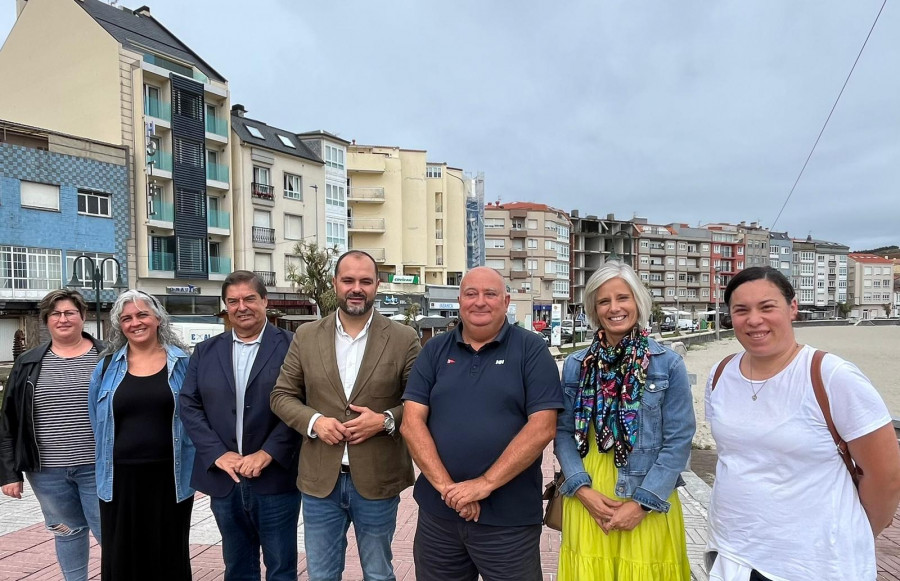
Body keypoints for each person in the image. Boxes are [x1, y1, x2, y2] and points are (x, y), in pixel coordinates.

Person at [705, 266, 900, 580]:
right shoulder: (720, 374)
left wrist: (853, 533)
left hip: (814, 563)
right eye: (742, 310)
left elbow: (886, 477)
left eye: (767, 307)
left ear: (792, 307)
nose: (754, 320)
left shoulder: (831, 376)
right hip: (733, 554)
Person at [401, 267, 563, 581]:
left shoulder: (531, 350)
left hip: (509, 522)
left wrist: (483, 485)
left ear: (506, 301)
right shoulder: (434, 350)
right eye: (471, 293)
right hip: (439, 519)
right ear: (459, 300)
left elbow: (543, 426)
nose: (480, 302)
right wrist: (453, 492)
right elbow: (411, 423)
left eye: (490, 294)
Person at [271, 250, 421, 581]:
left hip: (378, 479)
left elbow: (420, 402)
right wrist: (315, 422)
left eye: (365, 281)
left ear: (377, 285)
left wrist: (384, 420)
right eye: (348, 280)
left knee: (379, 573)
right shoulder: (307, 335)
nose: (357, 288)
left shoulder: (403, 338)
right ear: (335, 283)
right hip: (319, 481)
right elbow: (281, 395)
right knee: (322, 575)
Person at [554, 261, 694, 580]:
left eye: (623, 298)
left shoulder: (668, 365)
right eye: (604, 301)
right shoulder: (577, 366)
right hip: (589, 495)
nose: (614, 308)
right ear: (594, 308)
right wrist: (582, 491)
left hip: (648, 495)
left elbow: (679, 441)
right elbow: (563, 434)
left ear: (638, 303)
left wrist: (642, 504)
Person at [180, 271, 301, 580]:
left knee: (281, 568)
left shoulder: (294, 347)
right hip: (225, 479)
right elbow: (189, 405)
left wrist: (268, 452)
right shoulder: (206, 351)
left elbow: (303, 404)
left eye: (249, 299)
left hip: (275, 477)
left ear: (264, 301)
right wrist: (217, 454)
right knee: (237, 567)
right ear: (226, 306)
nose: (241, 307)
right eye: (233, 301)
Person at [88, 290, 195, 581]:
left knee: (168, 554)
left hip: (170, 478)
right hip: (119, 478)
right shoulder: (107, 366)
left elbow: (197, 415)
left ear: (158, 318)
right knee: (121, 556)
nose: (136, 322)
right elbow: (97, 420)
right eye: (127, 318)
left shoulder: (183, 363)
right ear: (120, 325)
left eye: (142, 314)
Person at [0, 290, 103, 581]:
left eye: (70, 312)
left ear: (83, 316)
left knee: (111, 531)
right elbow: (10, 419)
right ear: (47, 321)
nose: (63, 319)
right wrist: (9, 473)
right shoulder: (29, 362)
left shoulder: (107, 356)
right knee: (67, 531)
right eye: (55, 314)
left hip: (100, 467)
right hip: (47, 471)